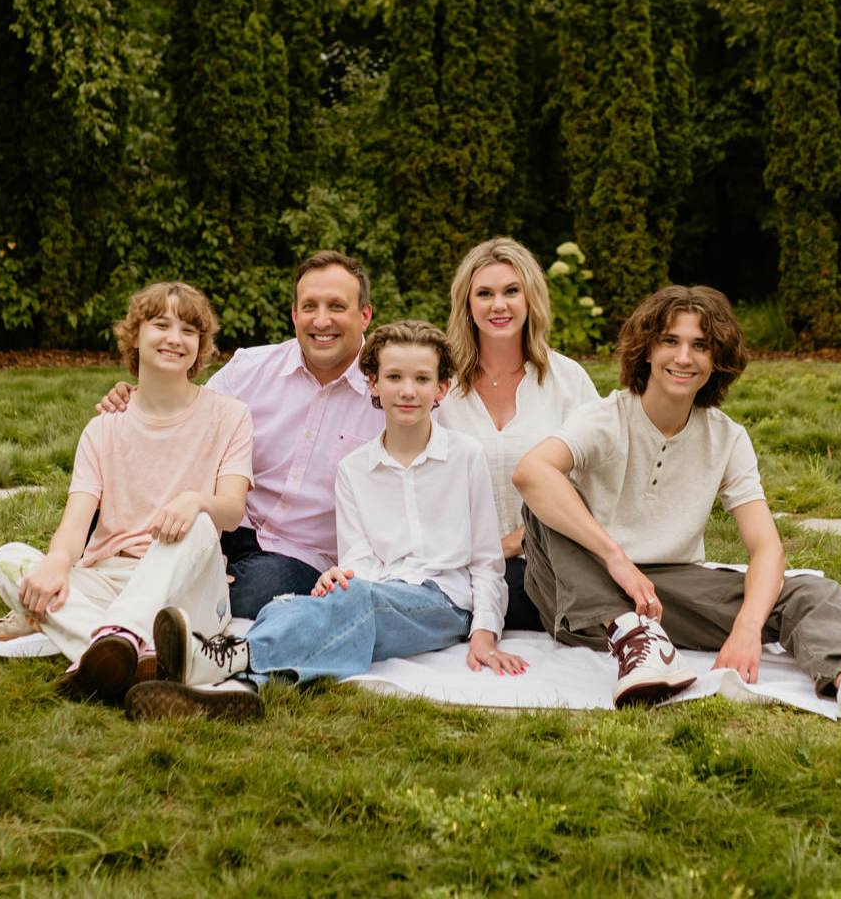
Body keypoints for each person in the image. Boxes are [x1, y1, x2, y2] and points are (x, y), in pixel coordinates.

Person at [512, 285, 841, 724]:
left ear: (717, 358)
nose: (685, 357)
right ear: (646, 351)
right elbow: (530, 473)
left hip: (668, 592)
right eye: (671, 342)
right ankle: (634, 641)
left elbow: (767, 548)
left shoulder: (727, 437)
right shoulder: (605, 417)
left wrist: (747, 628)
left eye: (700, 345)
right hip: (579, 598)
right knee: (547, 499)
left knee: (809, 591)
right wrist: (615, 557)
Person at [127, 320, 527, 721]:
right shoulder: (354, 469)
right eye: (394, 377)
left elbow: (485, 558)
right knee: (291, 605)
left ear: (441, 389)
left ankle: (228, 656)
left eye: (422, 379)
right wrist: (340, 580)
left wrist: (484, 634)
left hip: (445, 602)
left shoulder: (464, 456)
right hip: (376, 594)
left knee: (356, 602)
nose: (407, 390)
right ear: (373, 384)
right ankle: (243, 688)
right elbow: (359, 559)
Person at [0, 281, 252, 704]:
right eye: (161, 324)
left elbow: (231, 511)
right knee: (8, 560)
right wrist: (55, 562)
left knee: (196, 520)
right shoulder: (103, 428)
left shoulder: (229, 416)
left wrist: (197, 500)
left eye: (189, 331)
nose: (175, 339)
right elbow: (74, 527)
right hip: (109, 577)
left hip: (190, 584)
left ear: (201, 345)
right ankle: (139, 656)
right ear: (135, 335)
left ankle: (110, 639)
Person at [96, 251, 381, 617]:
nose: (321, 320)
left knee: (252, 594)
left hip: (299, 554)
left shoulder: (387, 394)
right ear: (295, 315)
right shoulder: (250, 368)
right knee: (107, 505)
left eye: (337, 306)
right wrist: (136, 400)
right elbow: (185, 420)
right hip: (224, 522)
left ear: (365, 315)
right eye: (309, 306)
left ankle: (132, 608)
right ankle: (150, 594)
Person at [432, 236, 598, 632]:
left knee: (520, 591)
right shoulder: (442, 387)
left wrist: (512, 544)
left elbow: (597, 484)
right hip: (459, 561)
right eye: (484, 294)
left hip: (550, 559)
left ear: (531, 299)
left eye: (511, 291)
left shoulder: (568, 380)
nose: (499, 305)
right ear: (467, 306)